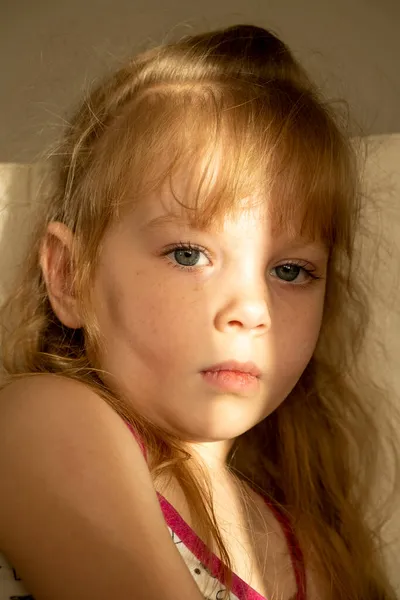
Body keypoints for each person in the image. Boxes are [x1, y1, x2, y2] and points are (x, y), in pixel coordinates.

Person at [0, 23, 397, 600]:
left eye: (290, 271)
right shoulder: (45, 420)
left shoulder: (317, 550)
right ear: (69, 275)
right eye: (189, 254)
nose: (251, 309)